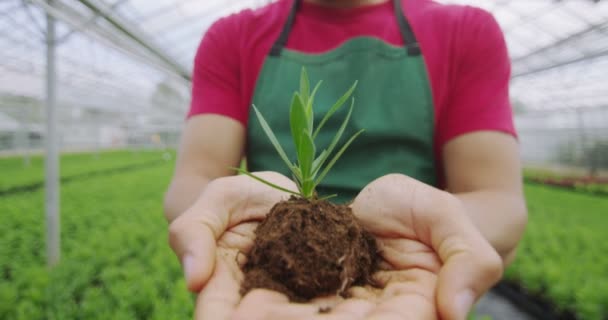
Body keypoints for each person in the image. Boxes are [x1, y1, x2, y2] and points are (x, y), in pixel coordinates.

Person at [164, 0, 528, 319]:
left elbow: (499, 201)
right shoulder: (232, 36)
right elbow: (194, 179)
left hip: (402, 268)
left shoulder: (466, 31)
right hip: (266, 262)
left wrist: (432, 226)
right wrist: (224, 211)